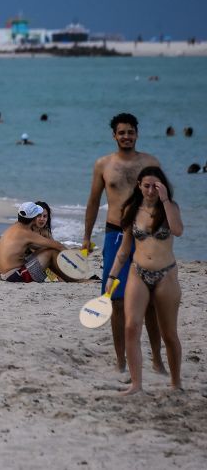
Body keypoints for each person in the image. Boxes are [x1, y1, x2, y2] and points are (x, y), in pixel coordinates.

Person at [82, 112, 165, 374]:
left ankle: (157, 359)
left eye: (130, 132)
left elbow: (164, 199)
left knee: (151, 301)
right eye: (122, 132)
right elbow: (94, 201)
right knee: (115, 301)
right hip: (114, 234)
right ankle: (121, 361)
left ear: (137, 134)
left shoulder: (151, 163)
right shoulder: (103, 164)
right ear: (114, 135)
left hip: (146, 236)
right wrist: (86, 236)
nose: (126, 136)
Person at [107, 167, 184, 395]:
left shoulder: (170, 208)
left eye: (156, 186)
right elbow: (124, 249)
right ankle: (136, 384)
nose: (151, 190)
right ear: (139, 185)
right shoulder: (131, 210)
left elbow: (178, 230)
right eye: (147, 185)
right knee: (131, 327)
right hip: (137, 273)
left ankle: (176, 383)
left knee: (168, 333)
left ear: (162, 186)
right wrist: (112, 275)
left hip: (166, 275)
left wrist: (166, 200)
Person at [0, 203, 66, 282]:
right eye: (38, 215)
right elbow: (58, 246)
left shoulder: (16, 227)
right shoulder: (27, 233)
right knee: (51, 252)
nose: (41, 219)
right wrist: (75, 258)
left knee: (49, 250)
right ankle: (69, 278)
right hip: (15, 275)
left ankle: (61, 277)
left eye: (45, 216)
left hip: (8, 273)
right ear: (34, 218)